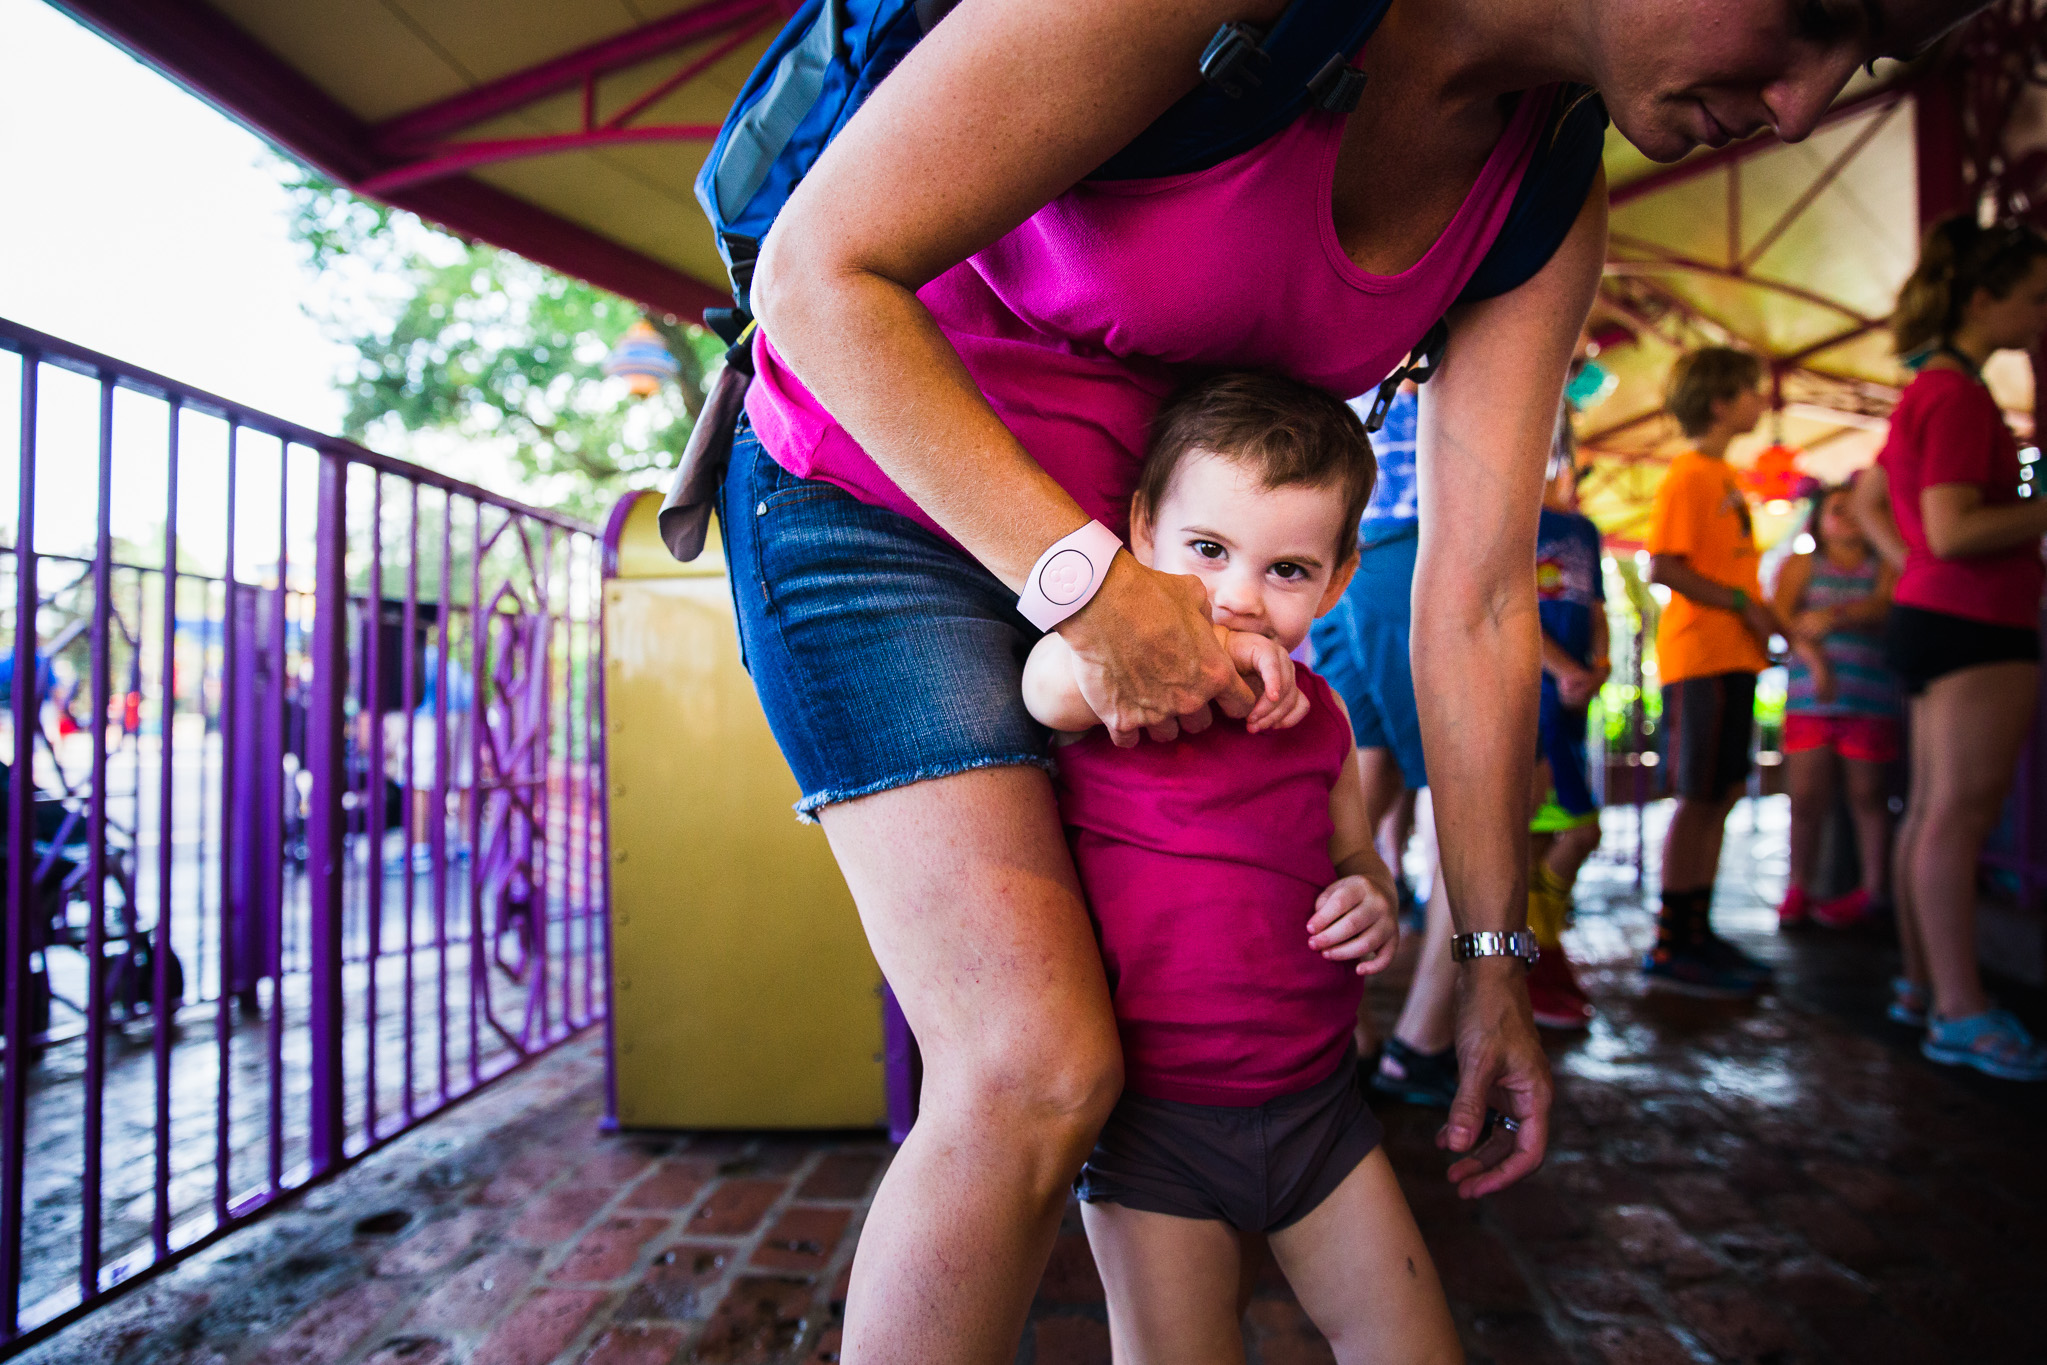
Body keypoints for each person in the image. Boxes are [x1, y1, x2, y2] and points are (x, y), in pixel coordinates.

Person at [726, 4, 1969, 1356]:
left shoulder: (1542, 193)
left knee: (1136, 1026)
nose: (1802, 104)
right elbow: (814, 274)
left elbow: (1477, 592)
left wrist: (1492, 956)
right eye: (1814, 14)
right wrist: (1089, 590)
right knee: (1033, 1066)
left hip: (1164, 576)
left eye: (1864, 62)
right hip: (880, 493)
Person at [1024, 373, 1461, 1363]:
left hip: (1321, 1116)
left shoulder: (1325, 718)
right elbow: (1046, 688)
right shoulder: (1101, 679)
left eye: (1288, 570)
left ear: (1339, 582)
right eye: (1208, 551)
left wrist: (1373, 895)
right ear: (1139, 531)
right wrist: (1166, 648)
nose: (1237, 596)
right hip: (1151, 1136)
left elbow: (1354, 853)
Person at [1852, 216, 2047, 1082]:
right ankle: (1960, 1010)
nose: (2039, 317)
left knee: (1932, 809)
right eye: (2033, 299)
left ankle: (1921, 987)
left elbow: (1879, 505)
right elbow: (1953, 526)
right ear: (1981, 299)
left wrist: (1912, 561)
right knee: (1953, 815)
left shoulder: (1925, 388)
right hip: (1973, 616)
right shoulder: (1959, 393)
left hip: (1935, 613)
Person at [1307, 383, 1462, 1105]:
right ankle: (1422, 1040)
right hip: (1409, 539)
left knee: (1359, 782)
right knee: (1469, 786)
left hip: (1343, 544)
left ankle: (1349, 1030)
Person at [1642, 347, 1782, 997]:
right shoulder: (1690, 474)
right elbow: (1663, 566)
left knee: (1719, 794)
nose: (1761, 401)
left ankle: (1696, 930)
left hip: (1731, 655)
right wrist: (1739, 604)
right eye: (1750, 390)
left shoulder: (1723, 476)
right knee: (1697, 796)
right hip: (1699, 656)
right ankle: (1671, 942)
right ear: (1721, 401)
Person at [1770, 481, 1899, 931]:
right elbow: (1782, 619)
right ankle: (1798, 887)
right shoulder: (1802, 565)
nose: (1846, 519)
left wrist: (1833, 617)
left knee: (1868, 794)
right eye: (1836, 510)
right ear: (1819, 521)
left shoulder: (1884, 565)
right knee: (1805, 798)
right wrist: (1816, 661)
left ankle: (1873, 889)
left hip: (1871, 696)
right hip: (1811, 697)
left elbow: (1887, 607)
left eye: (1854, 510)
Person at [1527, 444, 1610, 1030]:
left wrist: (1598, 665)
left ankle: (1540, 949)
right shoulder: (1517, 521)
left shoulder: (1584, 530)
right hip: (1531, 694)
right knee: (1575, 829)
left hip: (1573, 696)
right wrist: (1564, 670)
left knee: (1554, 835)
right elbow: (1507, 608)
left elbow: (1597, 607)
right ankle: (1541, 953)